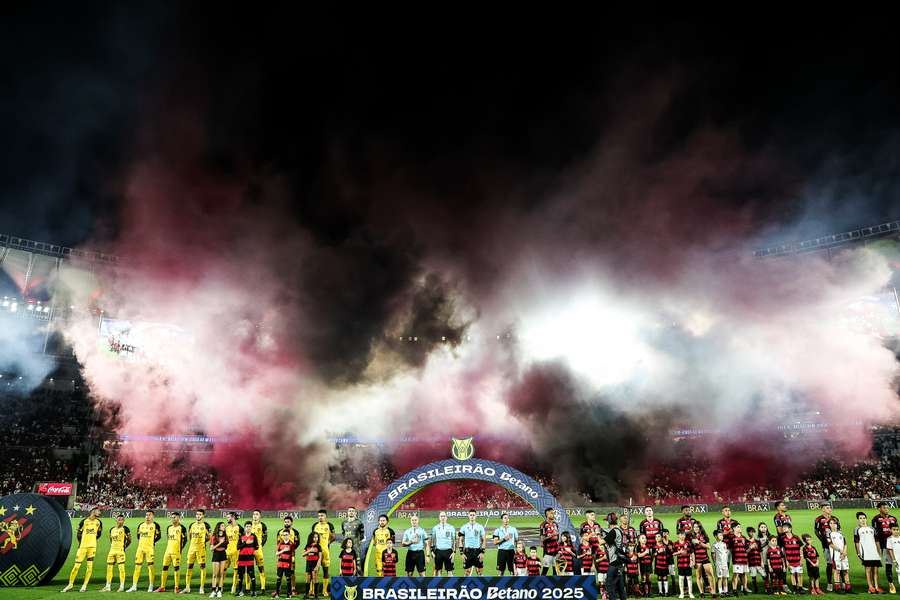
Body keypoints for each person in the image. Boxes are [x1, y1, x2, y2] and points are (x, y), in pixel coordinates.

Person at [63, 507, 103, 593]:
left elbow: (99, 534)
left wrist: (93, 540)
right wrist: (80, 543)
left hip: (92, 547)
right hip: (83, 547)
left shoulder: (98, 522)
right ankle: (70, 584)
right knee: (76, 566)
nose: (100, 513)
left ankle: (84, 586)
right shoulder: (84, 521)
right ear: (93, 511)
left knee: (89, 567)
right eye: (98, 511)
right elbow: (78, 533)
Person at [126, 509, 160, 593]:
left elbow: (158, 536)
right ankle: (134, 586)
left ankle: (151, 586)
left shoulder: (155, 525)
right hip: (140, 549)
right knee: (137, 567)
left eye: (149, 515)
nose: (147, 516)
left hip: (149, 549)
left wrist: (152, 542)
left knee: (150, 567)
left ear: (153, 516)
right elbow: (138, 536)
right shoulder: (141, 525)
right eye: (146, 515)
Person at [156, 511, 187, 593]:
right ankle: (162, 586)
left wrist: (180, 549)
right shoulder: (169, 528)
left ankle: (176, 587)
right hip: (167, 551)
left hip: (176, 552)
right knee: (164, 567)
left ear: (179, 518)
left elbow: (185, 540)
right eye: (172, 517)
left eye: (175, 517)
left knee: (176, 568)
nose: (173, 519)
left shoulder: (182, 528)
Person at [871, 502, 898, 594]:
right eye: (884, 507)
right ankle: (891, 584)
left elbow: (897, 531)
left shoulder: (893, 518)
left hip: (896, 545)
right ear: (879, 509)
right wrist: (878, 547)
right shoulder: (876, 519)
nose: (886, 509)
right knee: (889, 564)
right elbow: (875, 535)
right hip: (885, 546)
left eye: (887, 507)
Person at [854, 511, 884, 593]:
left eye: (864, 518)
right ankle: (870, 587)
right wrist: (858, 553)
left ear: (866, 519)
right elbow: (856, 542)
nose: (862, 520)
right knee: (868, 569)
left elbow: (877, 540)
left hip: (874, 551)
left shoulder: (872, 529)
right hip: (865, 552)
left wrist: (879, 551)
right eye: (860, 518)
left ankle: (877, 587)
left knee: (875, 570)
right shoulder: (857, 529)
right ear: (858, 520)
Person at [100, 513, 130, 593]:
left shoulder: (125, 529)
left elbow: (129, 540)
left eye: (122, 520)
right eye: (119, 519)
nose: (120, 521)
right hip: (112, 551)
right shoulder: (112, 529)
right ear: (116, 520)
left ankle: (122, 586)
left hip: (120, 551)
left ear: (124, 521)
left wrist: (124, 547)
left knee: (121, 569)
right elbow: (111, 539)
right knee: (109, 569)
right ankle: (108, 586)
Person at [813, 503, 839, 592]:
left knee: (838, 563)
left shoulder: (835, 519)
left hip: (836, 544)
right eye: (827, 508)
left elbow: (839, 529)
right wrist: (822, 539)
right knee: (829, 564)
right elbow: (816, 531)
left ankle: (840, 582)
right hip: (826, 545)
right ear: (823, 509)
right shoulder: (818, 519)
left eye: (830, 507)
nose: (830, 509)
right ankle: (829, 583)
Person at [185, 508, 211, 595]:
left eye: (200, 514)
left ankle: (202, 587)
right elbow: (190, 536)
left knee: (202, 567)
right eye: (197, 514)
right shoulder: (192, 525)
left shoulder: (206, 525)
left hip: (201, 549)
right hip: (192, 548)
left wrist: (203, 541)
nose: (198, 516)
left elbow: (210, 537)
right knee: (189, 566)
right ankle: (187, 587)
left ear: (203, 516)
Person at [311, 510, 335, 597]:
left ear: (325, 516)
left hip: (325, 551)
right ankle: (312, 590)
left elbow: (333, 536)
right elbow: (311, 537)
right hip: (315, 551)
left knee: (326, 571)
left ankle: (324, 590)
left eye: (322, 515)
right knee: (314, 571)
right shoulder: (315, 525)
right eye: (319, 516)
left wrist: (328, 543)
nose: (320, 517)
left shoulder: (329, 525)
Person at [604, 512, 627, 600]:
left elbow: (602, 542)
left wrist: (597, 533)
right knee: (620, 586)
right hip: (619, 561)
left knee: (609, 585)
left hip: (614, 561)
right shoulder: (619, 530)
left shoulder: (614, 531)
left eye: (607, 521)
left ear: (609, 521)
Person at [279, 516, 302, 596]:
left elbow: (297, 542)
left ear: (291, 523)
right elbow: (278, 543)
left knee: (291, 572)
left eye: (288, 522)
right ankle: (279, 589)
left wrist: (290, 549)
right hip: (281, 555)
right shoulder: (280, 532)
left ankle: (293, 588)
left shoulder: (295, 532)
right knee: (280, 572)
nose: (286, 523)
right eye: (285, 522)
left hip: (291, 555)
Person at [237, 521, 260, 597]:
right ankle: (240, 591)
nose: (248, 528)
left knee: (251, 575)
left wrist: (251, 550)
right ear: (244, 528)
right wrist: (246, 543)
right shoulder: (241, 536)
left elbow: (257, 546)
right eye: (247, 526)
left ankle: (253, 591)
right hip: (241, 558)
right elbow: (238, 547)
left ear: (251, 528)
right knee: (240, 575)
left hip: (250, 558)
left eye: (250, 526)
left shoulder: (254, 536)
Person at [828, 518, 851, 594]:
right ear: (829, 525)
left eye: (834, 523)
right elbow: (831, 545)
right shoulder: (829, 534)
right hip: (836, 555)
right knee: (837, 571)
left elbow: (845, 544)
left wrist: (844, 552)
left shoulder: (841, 534)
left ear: (837, 524)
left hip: (843, 555)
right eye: (831, 523)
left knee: (846, 570)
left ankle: (848, 588)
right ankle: (837, 588)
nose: (833, 525)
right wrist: (840, 551)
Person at [690, 522, 713, 597]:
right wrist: (692, 561)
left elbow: (709, 547)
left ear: (700, 528)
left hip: (705, 558)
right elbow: (690, 551)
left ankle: (713, 592)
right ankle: (701, 593)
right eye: (695, 527)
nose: (696, 528)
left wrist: (699, 542)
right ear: (693, 528)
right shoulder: (691, 537)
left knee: (710, 575)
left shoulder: (704, 536)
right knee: (698, 576)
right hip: (697, 560)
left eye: (697, 527)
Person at [459, 509, 485, 576]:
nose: (472, 516)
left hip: (477, 551)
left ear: (476, 516)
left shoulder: (480, 527)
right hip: (467, 552)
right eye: (471, 515)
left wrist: (482, 552)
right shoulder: (463, 527)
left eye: (473, 515)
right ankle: (465, 586)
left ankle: (481, 586)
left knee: (480, 572)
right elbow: (460, 540)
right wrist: (461, 553)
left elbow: (484, 540)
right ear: (468, 516)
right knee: (467, 572)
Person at [780, 524, 804, 594]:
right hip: (789, 560)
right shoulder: (783, 538)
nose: (784, 529)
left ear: (790, 529)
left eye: (785, 527)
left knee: (799, 574)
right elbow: (783, 550)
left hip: (797, 559)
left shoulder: (796, 537)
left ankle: (800, 588)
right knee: (792, 574)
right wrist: (786, 561)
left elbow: (801, 547)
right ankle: (794, 589)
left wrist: (801, 558)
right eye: (783, 528)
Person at [274, 529, 298, 599]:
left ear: (289, 535)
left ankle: (289, 594)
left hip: (287, 564)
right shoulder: (280, 543)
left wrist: (292, 565)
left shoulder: (291, 544)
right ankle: (277, 594)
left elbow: (293, 555)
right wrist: (283, 550)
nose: (285, 536)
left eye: (286, 535)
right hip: (280, 564)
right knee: (278, 579)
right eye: (283, 535)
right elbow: (276, 553)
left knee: (288, 579)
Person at [431, 511, 456, 576]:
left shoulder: (451, 527)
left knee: (450, 571)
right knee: (438, 571)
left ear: (446, 517)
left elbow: (454, 540)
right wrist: (432, 551)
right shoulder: (435, 528)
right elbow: (432, 540)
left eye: (444, 516)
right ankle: (439, 586)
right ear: (439, 517)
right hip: (438, 551)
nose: (443, 518)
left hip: (448, 551)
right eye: (441, 516)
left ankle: (450, 586)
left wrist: (454, 552)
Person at [249, 510, 269, 592]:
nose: (255, 516)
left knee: (261, 568)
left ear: (260, 516)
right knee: (248, 567)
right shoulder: (248, 525)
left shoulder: (263, 526)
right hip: (249, 549)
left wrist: (260, 545)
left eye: (257, 514)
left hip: (258, 550)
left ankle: (263, 587)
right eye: (254, 514)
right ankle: (247, 587)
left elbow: (265, 537)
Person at [341, 507, 365, 574]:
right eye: (349, 511)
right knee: (346, 563)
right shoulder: (344, 522)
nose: (351, 512)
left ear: (355, 513)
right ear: (347, 512)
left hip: (356, 547)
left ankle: (359, 579)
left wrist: (356, 541)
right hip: (346, 547)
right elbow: (343, 533)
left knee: (358, 564)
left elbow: (362, 535)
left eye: (352, 511)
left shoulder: (359, 522)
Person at [209, 521, 228, 599]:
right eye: (222, 526)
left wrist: (223, 543)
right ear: (219, 527)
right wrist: (220, 543)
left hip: (223, 554)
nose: (224, 527)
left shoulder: (225, 536)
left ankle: (219, 590)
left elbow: (226, 545)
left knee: (222, 574)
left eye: (224, 526)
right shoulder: (214, 536)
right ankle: (213, 591)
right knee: (215, 574)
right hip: (216, 554)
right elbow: (211, 548)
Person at [674, 530, 695, 599]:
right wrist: (679, 552)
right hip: (680, 564)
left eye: (683, 535)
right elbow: (673, 553)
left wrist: (693, 561)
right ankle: (682, 593)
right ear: (678, 535)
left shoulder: (688, 543)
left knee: (689, 578)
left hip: (688, 564)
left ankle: (690, 593)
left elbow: (692, 553)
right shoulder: (676, 544)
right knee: (681, 578)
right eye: (681, 535)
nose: (682, 536)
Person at [226, 512, 244, 594]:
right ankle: (220, 586)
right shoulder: (226, 528)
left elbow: (243, 539)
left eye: (228, 517)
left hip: (236, 552)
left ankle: (234, 586)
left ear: (233, 517)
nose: (227, 518)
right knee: (223, 569)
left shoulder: (240, 528)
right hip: (227, 552)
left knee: (236, 570)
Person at [540, 507, 561, 576]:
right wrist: (552, 535)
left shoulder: (555, 524)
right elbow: (542, 539)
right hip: (547, 552)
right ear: (547, 514)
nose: (553, 515)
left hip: (556, 551)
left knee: (555, 571)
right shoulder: (543, 525)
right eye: (552, 513)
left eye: (553, 513)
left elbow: (557, 537)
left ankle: (555, 586)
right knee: (544, 571)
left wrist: (556, 537)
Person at [730, 524, 750, 595]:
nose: (740, 528)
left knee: (744, 574)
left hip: (744, 559)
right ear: (734, 528)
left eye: (740, 527)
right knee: (736, 574)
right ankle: (734, 590)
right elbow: (730, 549)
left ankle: (744, 588)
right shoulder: (732, 538)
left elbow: (747, 549)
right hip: (736, 560)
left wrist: (750, 548)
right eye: (738, 527)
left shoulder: (744, 538)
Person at [301, 532, 322, 598]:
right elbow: (303, 554)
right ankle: (306, 594)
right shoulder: (308, 546)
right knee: (308, 579)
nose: (316, 538)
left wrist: (317, 566)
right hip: (308, 564)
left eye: (317, 537)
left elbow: (320, 557)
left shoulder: (318, 546)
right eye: (314, 537)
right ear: (311, 538)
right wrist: (309, 551)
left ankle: (316, 595)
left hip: (315, 564)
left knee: (315, 579)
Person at [745, 526, 764, 595]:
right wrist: (750, 548)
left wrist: (762, 561)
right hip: (751, 561)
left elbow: (760, 551)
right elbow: (745, 552)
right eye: (750, 532)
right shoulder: (746, 542)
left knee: (764, 575)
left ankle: (767, 587)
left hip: (758, 560)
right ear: (747, 533)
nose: (751, 533)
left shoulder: (758, 541)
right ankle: (755, 588)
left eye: (752, 532)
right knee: (753, 575)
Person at [712, 530, 730, 597]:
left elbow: (725, 553)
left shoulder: (724, 544)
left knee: (725, 577)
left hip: (725, 564)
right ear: (716, 536)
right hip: (719, 564)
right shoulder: (714, 545)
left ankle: (726, 591)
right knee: (720, 578)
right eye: (720, 535)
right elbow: (713, 554)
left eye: (722, 535)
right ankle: (720, 591)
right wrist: (715, 563)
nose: (722, 536)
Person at [637, 533, 654, 597]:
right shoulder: (638, 547)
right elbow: (639, 555)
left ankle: (649, 592)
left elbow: (651, 556)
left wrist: (650, 561)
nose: (644, 539)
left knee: (648, 578)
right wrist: (645, 552)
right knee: (643, 578)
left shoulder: (648, 547)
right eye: (642, 538)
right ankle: (644, 592)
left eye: (645, 538)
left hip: (648, 564)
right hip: (642, 565)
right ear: (639, 540)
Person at [887, 524, 900, 595]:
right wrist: (894, 560)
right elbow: (890, 550)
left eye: (897, 530)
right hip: (897, 559)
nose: (896, 531)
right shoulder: (890, 539)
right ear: (890, 530)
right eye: (894, 530)